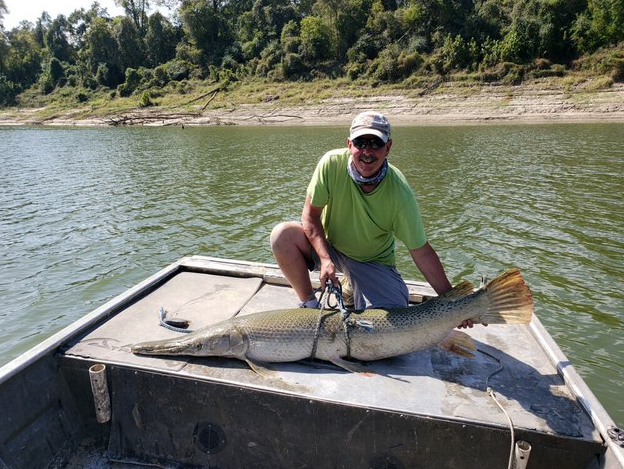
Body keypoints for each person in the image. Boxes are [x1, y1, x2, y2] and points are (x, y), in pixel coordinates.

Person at [270, 111, 471, 325]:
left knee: (384, 325)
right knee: (282, 235)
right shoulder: (330, 164)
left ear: (388, 147)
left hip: (372, 261)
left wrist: (453, 303)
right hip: (331, 250)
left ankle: (351, 285)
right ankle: (309, 305)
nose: (367, 151)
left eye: (375, 143)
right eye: (360, 143)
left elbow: (421, 252)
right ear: (349, 145)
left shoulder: (400, 193)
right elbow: (310, 217)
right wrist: (326, 259)